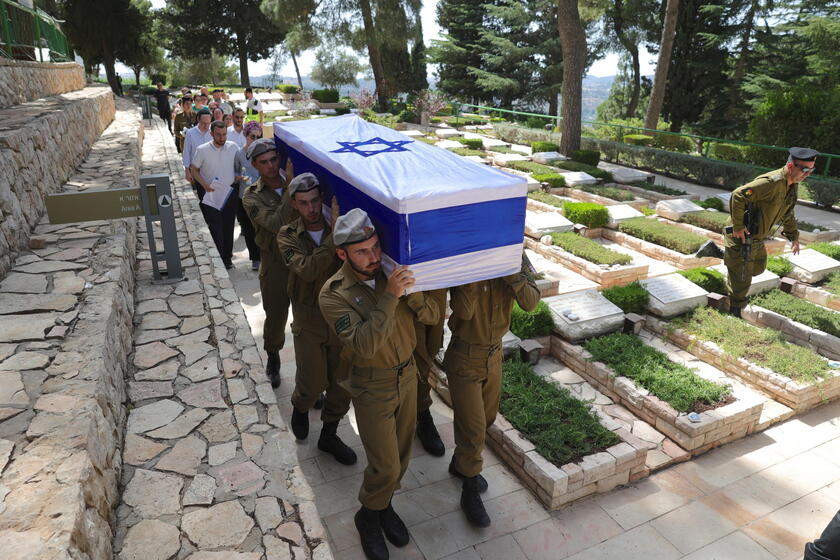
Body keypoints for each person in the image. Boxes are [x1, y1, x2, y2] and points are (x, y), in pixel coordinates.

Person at [319, 209, 440, 560]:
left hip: (408, 378)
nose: (373, 257)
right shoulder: (334, 294)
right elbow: (365, 345)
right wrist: (390, 295)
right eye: (362, 252)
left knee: (400, 460)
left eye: (375, 248)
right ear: (342, 253)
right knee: (384, 464)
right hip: (373, 385)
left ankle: (382, 504)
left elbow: (432, 317)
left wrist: (409, 292)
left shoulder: (392, 273)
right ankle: (367, 515)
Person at [444, 257, 540, 527]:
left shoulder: (514, 255)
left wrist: (511, 273)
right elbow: (463, 310)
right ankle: (469, 489)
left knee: (486, 419)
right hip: (465, 355)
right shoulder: (464, 260)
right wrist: (476, 273)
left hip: (494, 355)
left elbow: (532, 302)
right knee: (473, 429)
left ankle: (460, 463)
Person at [276, 173, 356, 465]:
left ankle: (330, 434)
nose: (311, 209)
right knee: (311, 379)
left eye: (315, 201)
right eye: (303, 203)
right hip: (308, 317)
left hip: (340, 317)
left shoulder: (339, 230)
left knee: (341, 382)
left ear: (322, 199)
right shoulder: (287, 235)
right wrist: (336, 235)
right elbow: (307, 270)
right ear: (294, 205)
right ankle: (300, 406)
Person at [724, 147, 815, 317]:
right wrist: (737, 226)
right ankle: (734, 311)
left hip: (757, 237)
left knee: (758, 268)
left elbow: (788, 212)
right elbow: (738, 195)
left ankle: (728, 259)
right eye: (804, 169)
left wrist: (793, 236)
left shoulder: (792, 185)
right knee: (742, 277)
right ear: (790, 166)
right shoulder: (770, 182)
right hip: (742, 235)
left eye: (811, 170)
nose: (807, 174)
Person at [242, 139, 297, 388]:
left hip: (304, 261)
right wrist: (291, 190)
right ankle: (273, 357)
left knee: (307, 319)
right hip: (275, 264)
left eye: (274, 160)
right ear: (255, 165)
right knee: (275, 316)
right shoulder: (252, 197)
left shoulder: (298, 185)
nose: (271, 166)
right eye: (264, 162)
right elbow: (275, 224)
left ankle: (310, 376)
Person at [190, 120, 240, 269]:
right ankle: (219, 259)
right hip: (211, 193)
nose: (222, 138)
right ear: (211, 134)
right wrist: (204, 184)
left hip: (229, 192)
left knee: (229, 225)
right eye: (218, 135)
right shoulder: (202, 149)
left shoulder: (233, 147)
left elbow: (239, 166)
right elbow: (194, 169)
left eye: (224, 134)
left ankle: (227, 258)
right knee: (215, 227)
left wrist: (238, 175)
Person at [414, 289, 448, 456]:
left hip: (436, 283)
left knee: (430, 349)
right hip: (407, 285)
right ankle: (423, 413)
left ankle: (420, 412)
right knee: (417, 355)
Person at [233, 121, 263, 270]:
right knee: (249, 230)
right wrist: (239, 177)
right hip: (244, 197)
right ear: (246, 135)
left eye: (259, 137)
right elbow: (234, 172)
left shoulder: (264, 152)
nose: (255, 140)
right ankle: (255, 258)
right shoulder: (239, 154)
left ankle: (264, 255)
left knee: (262, 228)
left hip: (261, 197)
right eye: (253, 136)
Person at [182, 108, 212, 187]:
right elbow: (186, 152)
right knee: (202, 196)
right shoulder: (190, 133)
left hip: (212, 170)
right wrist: (187, 171)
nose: (206, 126)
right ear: (198, 120)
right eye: (203, 123)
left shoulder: (213, 131)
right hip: (197, 171)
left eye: (208, 123)